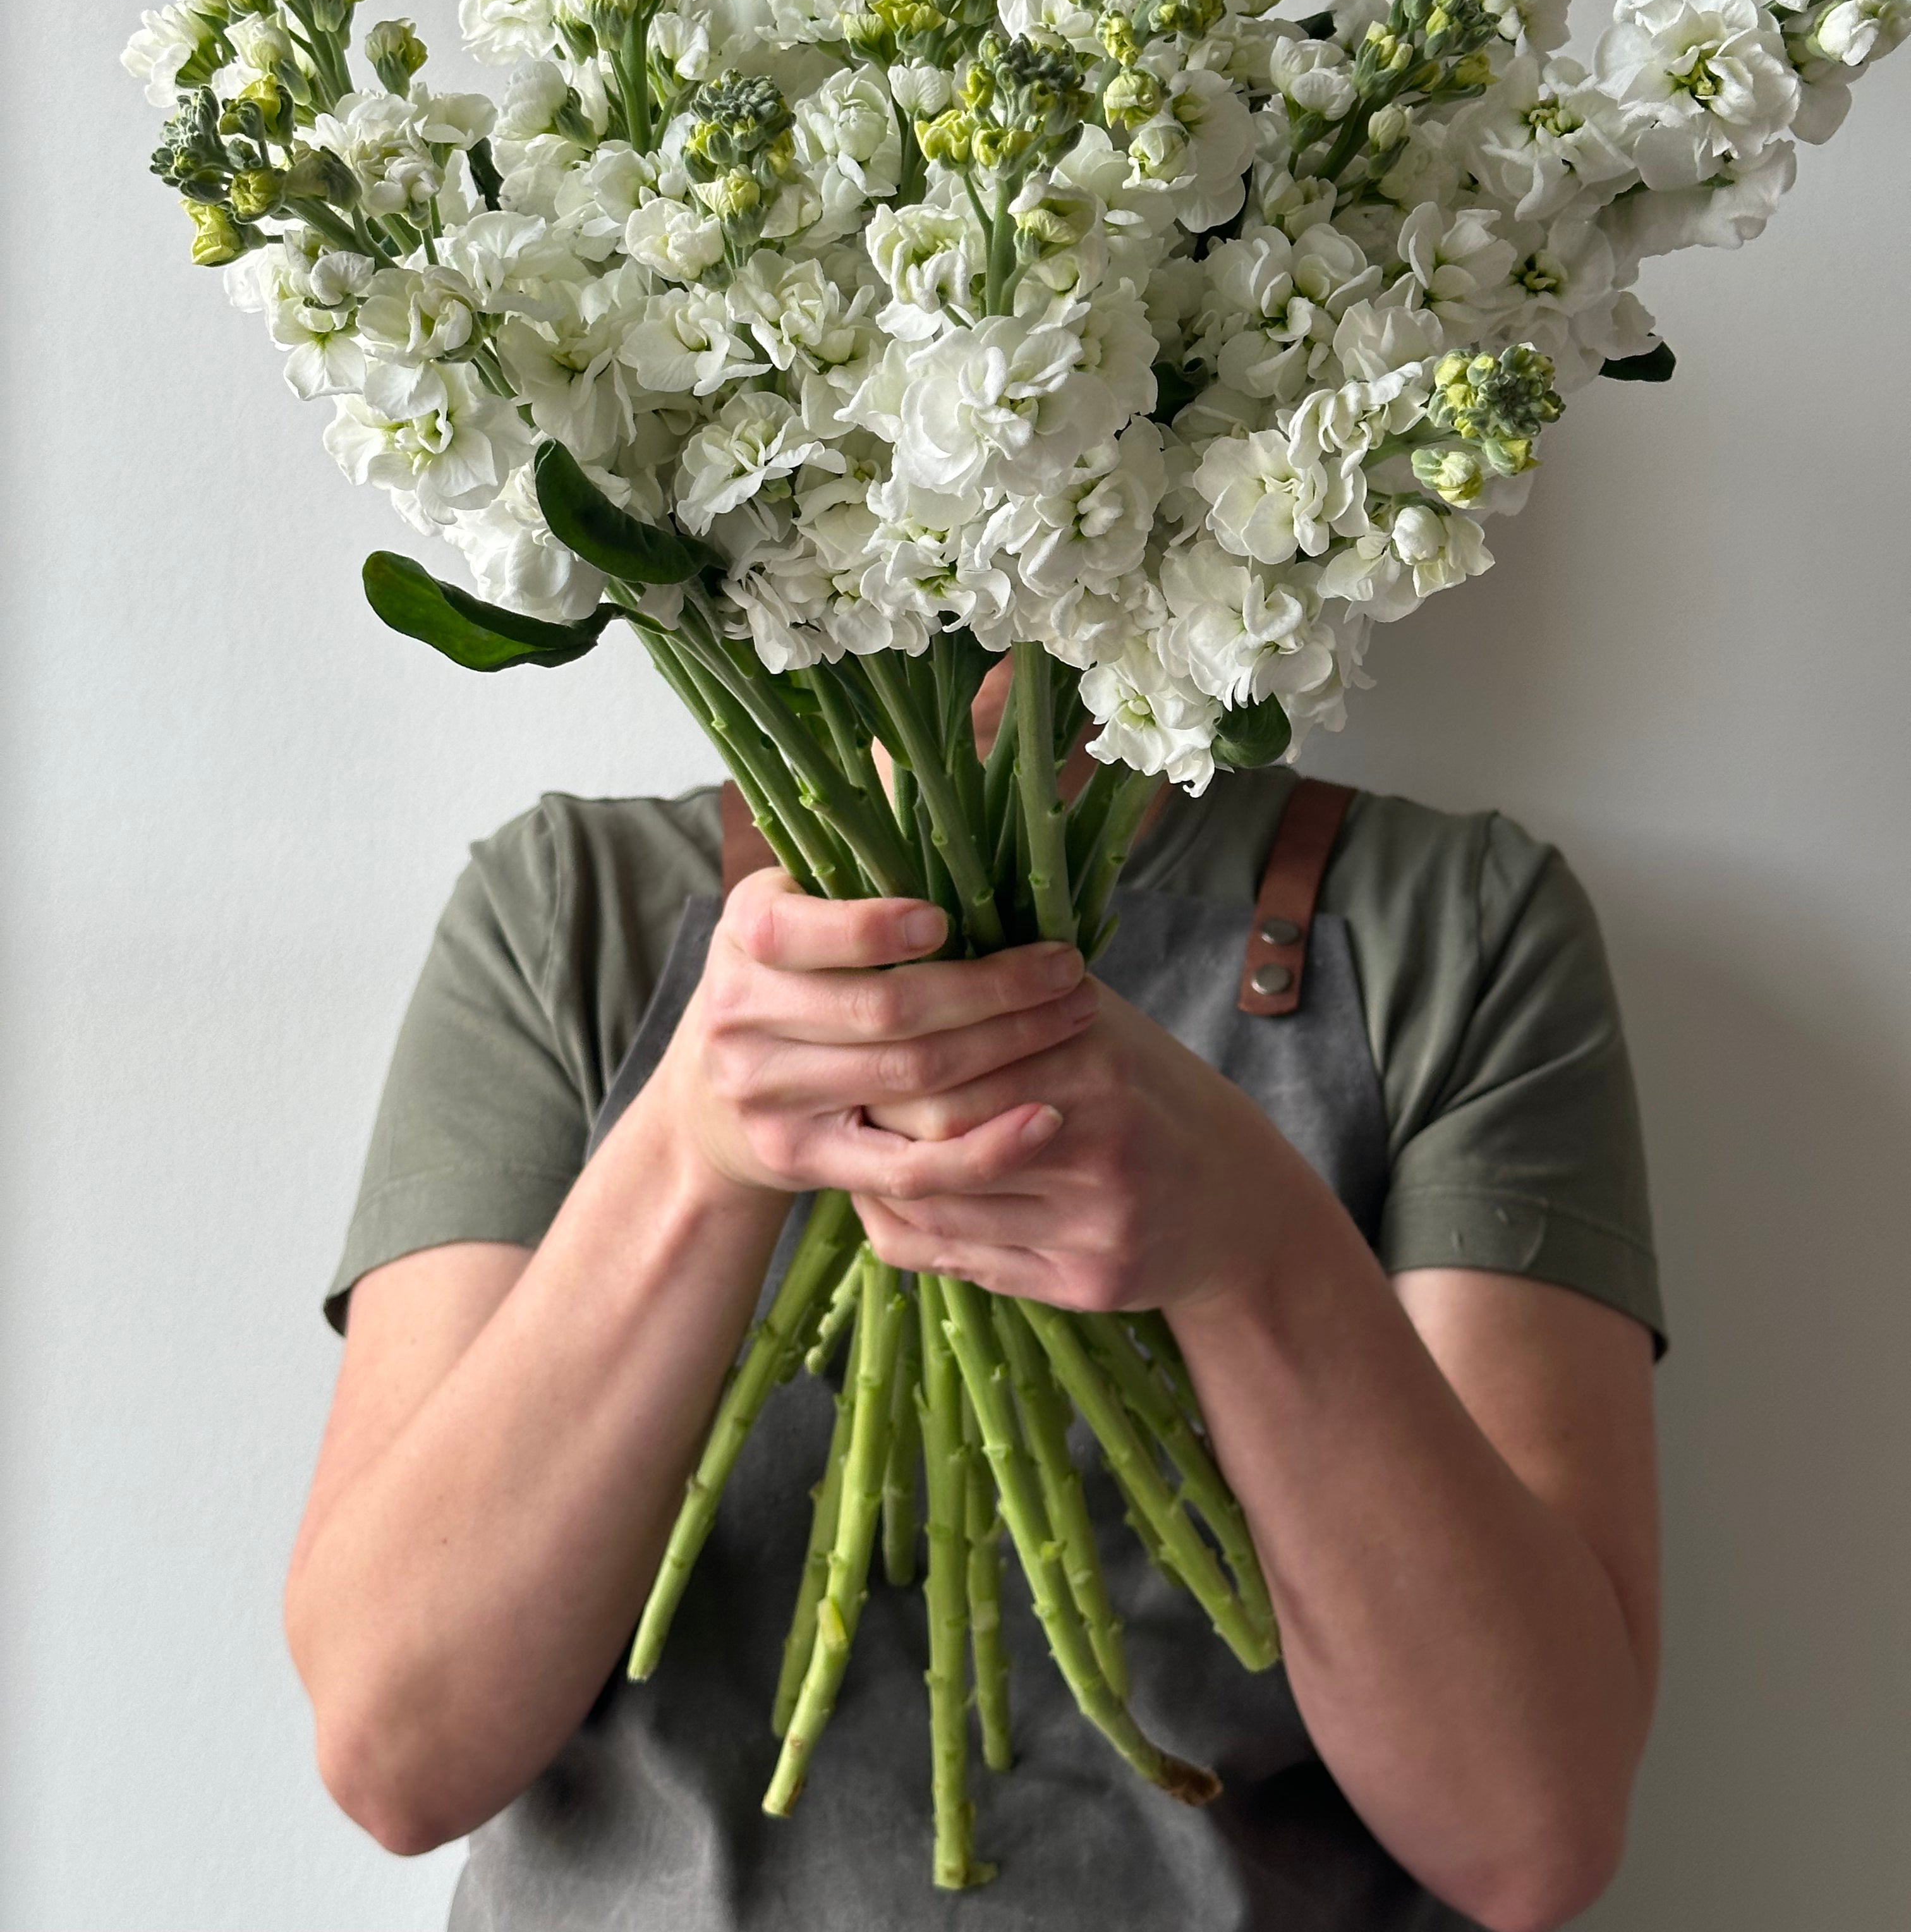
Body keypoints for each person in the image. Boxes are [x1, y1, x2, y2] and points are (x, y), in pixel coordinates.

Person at [285, 672, 1662, 1932]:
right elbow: (397, 1753)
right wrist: (696, 1154)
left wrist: (1258, 1246)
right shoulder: (572, 907)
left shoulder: (1456, 926)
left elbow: (1529, 1836)